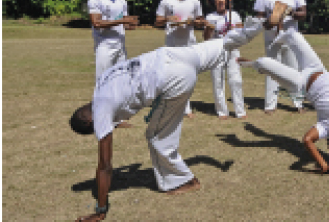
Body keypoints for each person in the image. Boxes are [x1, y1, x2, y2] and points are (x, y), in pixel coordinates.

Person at [71, 16, 266, 221]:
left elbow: (105, 165)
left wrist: (100, 210)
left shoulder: (100, 112)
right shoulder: (102, 82)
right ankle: (260, 24)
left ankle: (184, 181)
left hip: (172, 77)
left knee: (156, 136)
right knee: (223, 43)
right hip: (170, 55)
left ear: (89, 123)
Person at [237, 29, 329, 174]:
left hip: (300, 84)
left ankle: (251, 64)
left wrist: (323, 164)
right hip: (318, 68)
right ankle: (278, 39)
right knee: (293, 35)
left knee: (264, 62)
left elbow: (307, 139)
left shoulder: (327, 126)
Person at [253, 0, 307, 114]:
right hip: (272, 38)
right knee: (271, 70)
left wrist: (291, 13)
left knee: (294, 70)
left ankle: (298, 103)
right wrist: (268, 21)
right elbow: (258, 16)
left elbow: (304, 13)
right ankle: (270, 105)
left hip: (290, 37)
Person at [155, 0, 206, 118]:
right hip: (172, 43)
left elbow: (200, 20)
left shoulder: (194, 1)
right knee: (174, 75)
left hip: (189, 43)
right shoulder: (167, 1)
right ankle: (176, 107)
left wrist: (196, 23)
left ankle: (186, 107)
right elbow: (158, 21)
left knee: (189, 74)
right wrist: (168, 19)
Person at [204, 0, 247, 120]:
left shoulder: (234, 15)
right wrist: (210, 28)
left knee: (236, 80)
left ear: (227, 0)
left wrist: (233, 31)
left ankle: (240, 111)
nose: (220, 0)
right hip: (217, 51)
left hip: (233, 50)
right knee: (218, 81)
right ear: (214, 1)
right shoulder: (210, 17)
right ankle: (222, 111)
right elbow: (206, 38)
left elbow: (243, 34)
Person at [87, 0, 139, 81]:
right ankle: (99, 99)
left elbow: (124, 23)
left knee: (121, 80)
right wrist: (121, 21)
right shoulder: (96, 0)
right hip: (104, 46)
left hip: (120, 46)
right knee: (103, 80)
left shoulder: (121, 1)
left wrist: (130, 24)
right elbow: (96, 23)